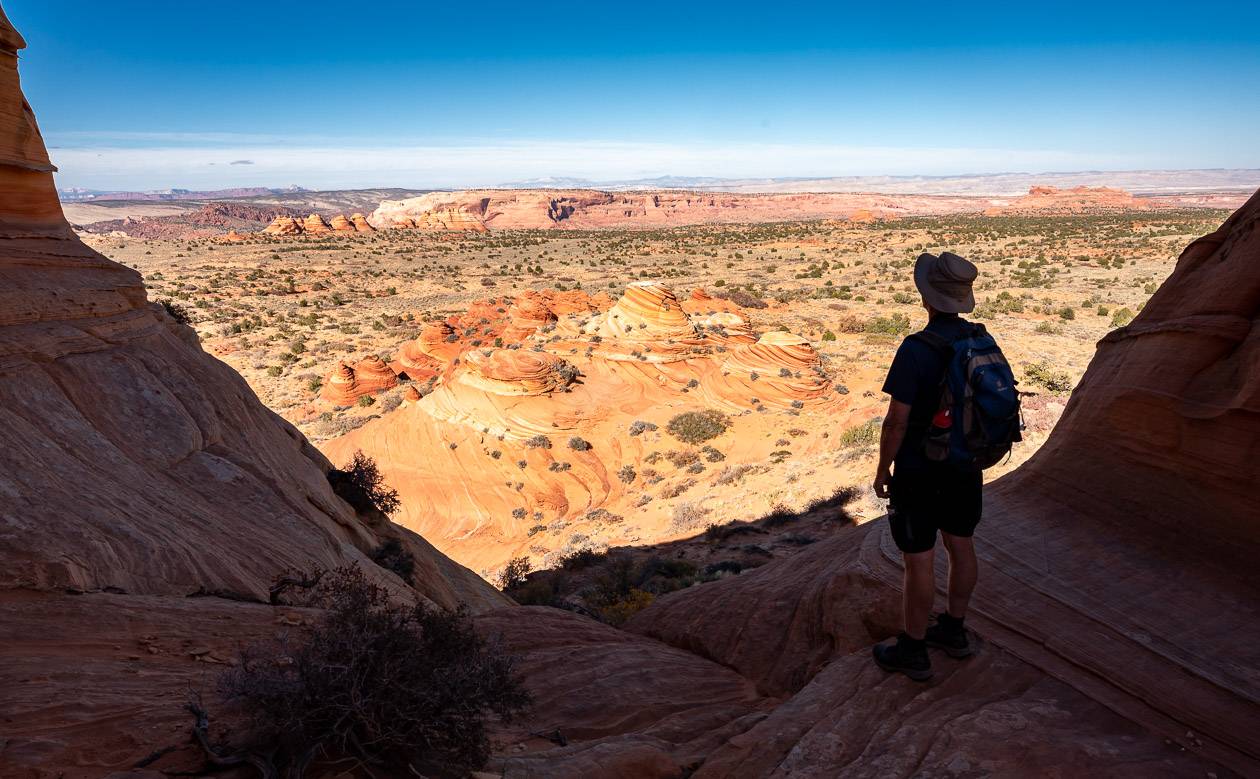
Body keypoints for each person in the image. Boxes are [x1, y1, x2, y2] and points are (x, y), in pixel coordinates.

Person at [871, 251, 984, 681]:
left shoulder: (916, 349)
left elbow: (896, 420)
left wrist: (884, 471)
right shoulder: (978, 339)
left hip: (920, 471)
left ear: (927, 300)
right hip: (966, 467)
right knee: (962, 545)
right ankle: (953, 630)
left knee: (919, 560)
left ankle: (914, 648)